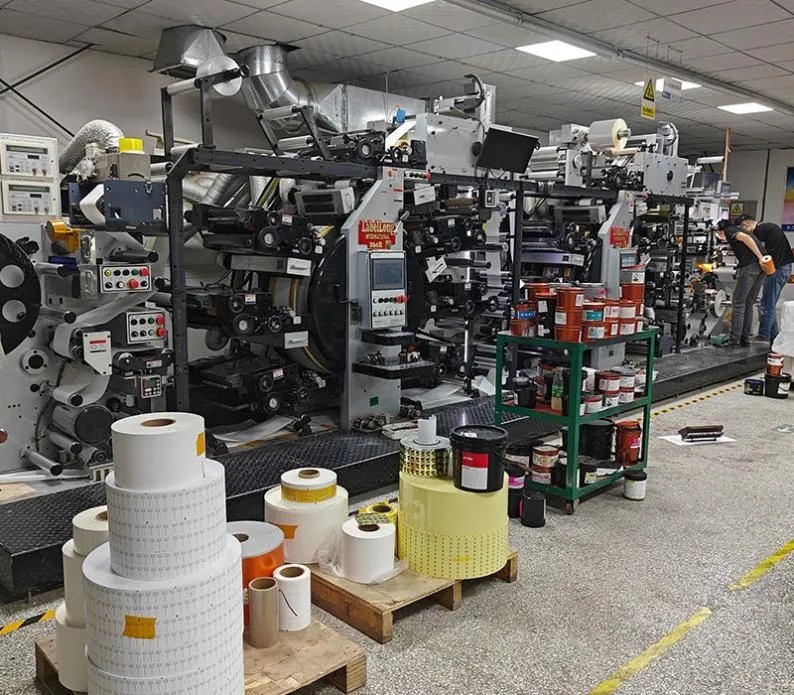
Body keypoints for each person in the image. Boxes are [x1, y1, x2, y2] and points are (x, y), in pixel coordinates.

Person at [736, 214, 794, 341]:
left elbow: (763, 254)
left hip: (777, 270)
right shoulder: (768, 227)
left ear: (746, 224)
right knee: (769, 304)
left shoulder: (760, 231)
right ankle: (774, 336)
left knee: (767, 305)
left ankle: (764, 336)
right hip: (785, 269)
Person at [716, 218, 766, 347]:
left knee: (738, 303)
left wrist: (759, 257)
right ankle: (744, 339)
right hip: (761, 268)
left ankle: (734, 340)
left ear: (720, 231)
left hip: (750, 266)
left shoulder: (729, 230)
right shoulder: (741, 229)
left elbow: (745, 238)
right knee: (748, 302)